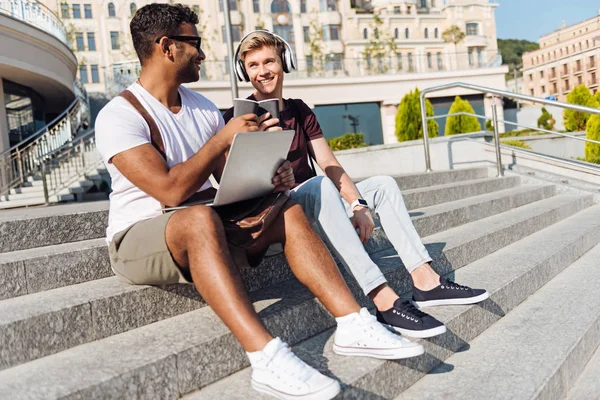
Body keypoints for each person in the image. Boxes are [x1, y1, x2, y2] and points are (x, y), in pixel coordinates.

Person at [95, 5, 424, 400]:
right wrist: (222, 138)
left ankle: (353, 322)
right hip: (141, 237)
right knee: (197, 218)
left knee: (287, 207)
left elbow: (225, 177)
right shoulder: (119, 115)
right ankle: (265, 357)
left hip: (209, 220)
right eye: (194, 43)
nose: (202, 53)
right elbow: (169, 191)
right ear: (167, 47)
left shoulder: (200, 108)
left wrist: (274, 176)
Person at [224, 30, 489, 339]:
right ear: (244, 71)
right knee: (320, 186)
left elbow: (329, 163)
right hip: (283, 210)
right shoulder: (239, 117)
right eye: (253, 65)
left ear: (285, 63)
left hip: (318, 198)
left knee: (384, 185)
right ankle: (382, 298)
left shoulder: (299, 110)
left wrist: (357, 204)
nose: (262, 71)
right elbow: (235, 182)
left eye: (268, 61)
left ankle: (426, 281)